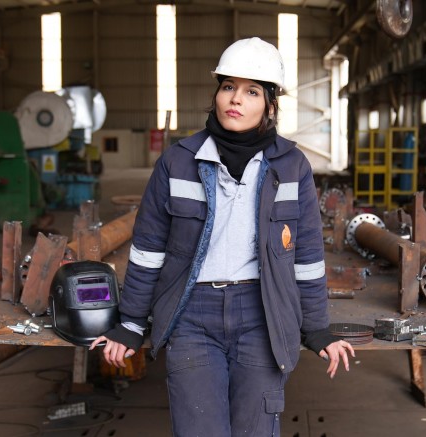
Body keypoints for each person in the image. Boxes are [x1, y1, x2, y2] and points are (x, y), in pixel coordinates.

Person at [91, 37, 355, 437]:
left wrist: (317, 329)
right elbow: (148, 251)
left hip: (261, 315)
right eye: (229, 86)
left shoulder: (292, 166)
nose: (236, 99)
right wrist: (130, 323)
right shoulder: (178, 161)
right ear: (216, 94)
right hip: (191, 315)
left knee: (255, 429)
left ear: (270, 105)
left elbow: (306, 257)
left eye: (252, 91)